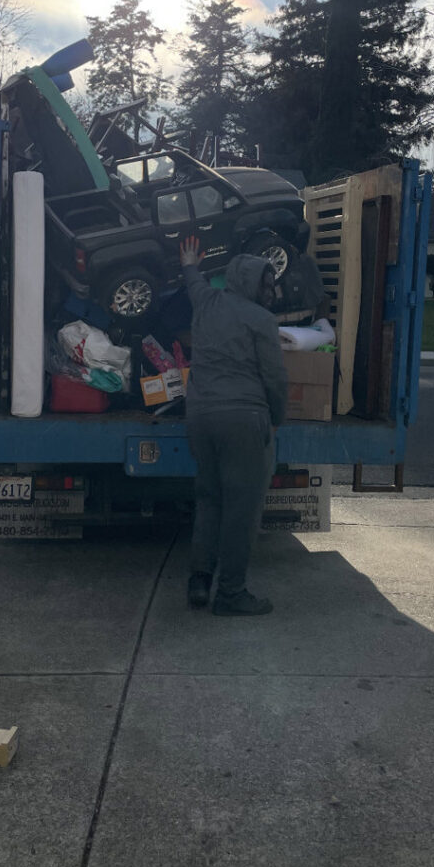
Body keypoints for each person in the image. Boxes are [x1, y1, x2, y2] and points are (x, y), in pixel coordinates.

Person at [179, 235, 288, 616]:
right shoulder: (262, 320)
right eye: (266, 284)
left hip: (200, 417)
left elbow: (192, 281)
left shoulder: (207, 301)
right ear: (253, 285)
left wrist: (190, 261)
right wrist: (276, 418)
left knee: (209, 499)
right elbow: (274, 378)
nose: (271, 292)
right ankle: (230, 593)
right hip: (243, 420)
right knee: (241, 510)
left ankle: (199, 580)